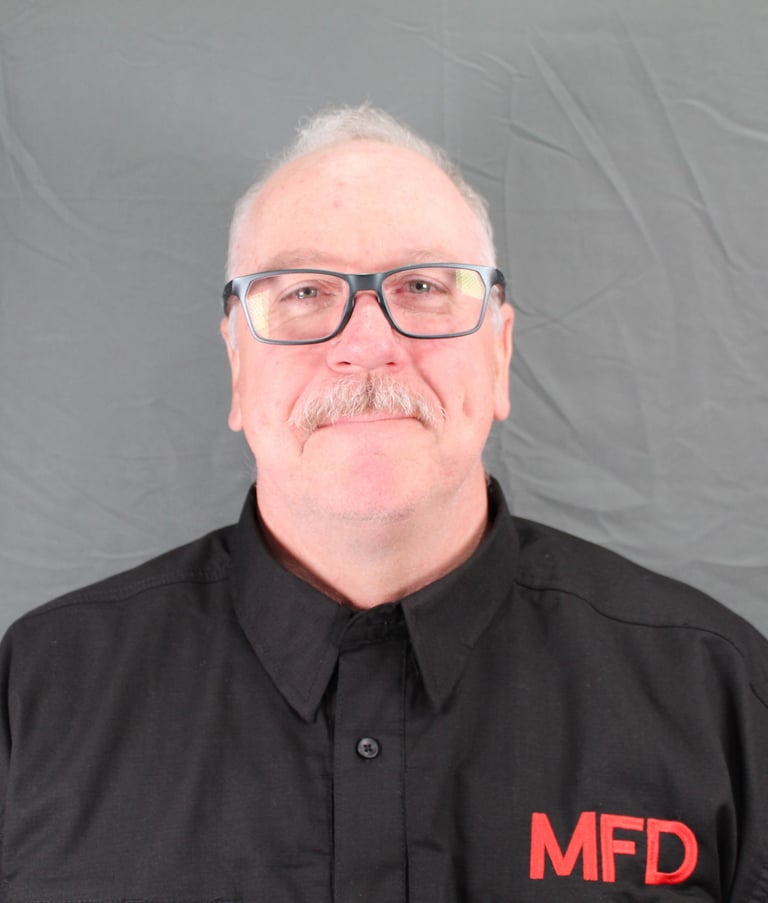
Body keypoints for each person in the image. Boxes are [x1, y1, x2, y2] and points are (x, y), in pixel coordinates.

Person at [0, 105, 766, 903]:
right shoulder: (40, 695)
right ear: (237, 364)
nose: (367, 346)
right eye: (303, 291)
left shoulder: (718, 698)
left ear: (499, 352)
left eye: (423, 286)